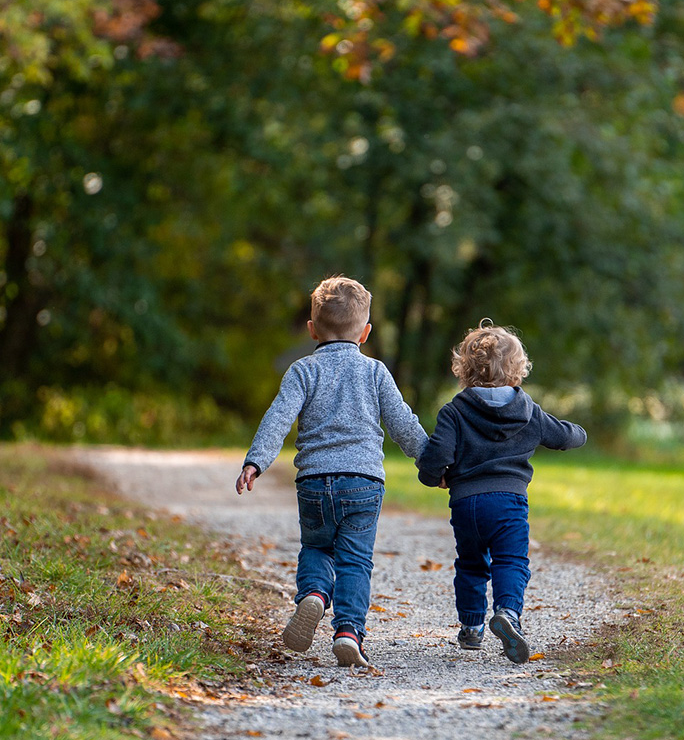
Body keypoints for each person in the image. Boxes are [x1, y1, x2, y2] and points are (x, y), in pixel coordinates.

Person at [235, 276, 427, 667]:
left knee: (317, 547)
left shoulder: (302, 371)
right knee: (355, 560)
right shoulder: (375, 372)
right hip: (364, 483)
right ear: (366, 332)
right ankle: (348, 632)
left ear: (311, 330)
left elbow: (278, 419)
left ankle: (315, 594)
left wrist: (256, 461)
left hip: (314, 482)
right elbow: (403, 424)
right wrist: (432, 462)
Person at [417, 320, 586, 664]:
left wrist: (434, 477)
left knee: (470, 564)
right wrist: (581, 433)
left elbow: (437, 455)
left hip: (466, 505)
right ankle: (508, 613)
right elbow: (564, 436)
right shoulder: (528, 411)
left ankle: (471, 627)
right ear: (517, 372)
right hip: (509, 503)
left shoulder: (454, 411)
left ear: (464, 371)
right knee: (511, 560)